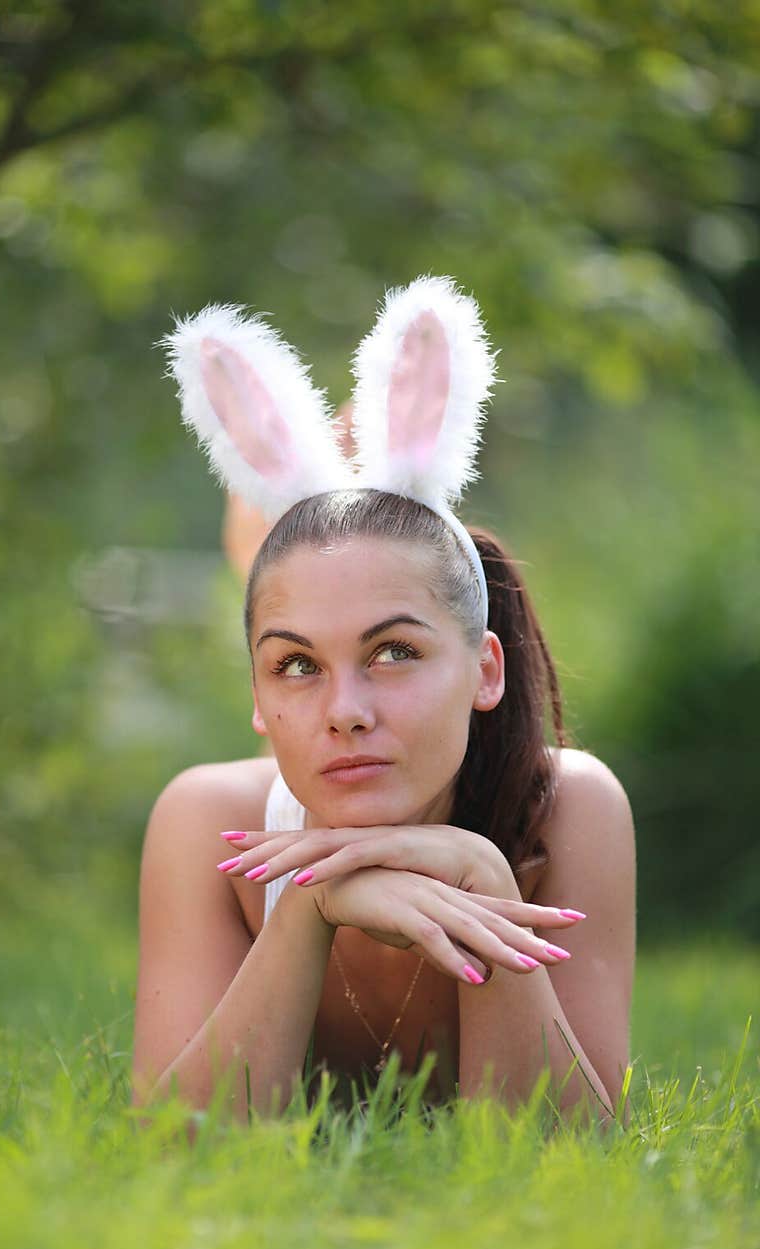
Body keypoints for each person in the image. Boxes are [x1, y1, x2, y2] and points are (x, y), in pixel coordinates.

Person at [132, 275, 636, 1124]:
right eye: (296, 665)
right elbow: (176, 1149)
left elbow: (563, 1159)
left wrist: (483, 877)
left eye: (393, 652)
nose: (345, 710)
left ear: (485, 669)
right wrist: (307, 913)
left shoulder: (569, 808)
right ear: (256, 696)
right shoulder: (207, 825)